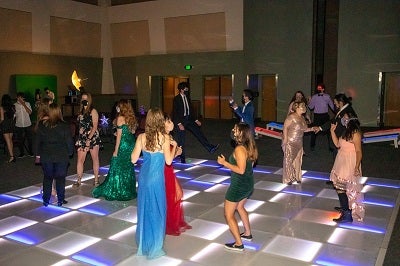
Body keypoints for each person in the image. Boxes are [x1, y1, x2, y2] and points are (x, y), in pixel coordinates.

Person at [131, 107, 177, 259]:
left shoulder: (141, 137)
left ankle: (145, 243)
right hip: (156, 179)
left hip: (144, 178)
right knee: (158, 210)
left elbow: (133, 159)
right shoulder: (164, 138)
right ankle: (156, 245)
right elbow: (169, 161)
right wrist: (174, 147)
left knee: (144, 209)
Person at [217, 123, 258, 251]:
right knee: (240, 207)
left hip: (239, 186)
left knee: (228, 215)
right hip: (248, 184)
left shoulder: (240, 149)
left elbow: (240, 170)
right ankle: (247, 233)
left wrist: (224, 163)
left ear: (241, 134)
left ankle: (238, 244)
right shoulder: (249, 147)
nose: (232, 130)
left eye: (235, 129)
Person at [92, 99, 138, 201]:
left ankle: (117, 189)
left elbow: (119, 137)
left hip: (123, 145)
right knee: (128, 166)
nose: (117, 108)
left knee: (116, 165)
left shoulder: (120, 118)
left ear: (121, 107)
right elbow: (133, 131)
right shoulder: (131, 117)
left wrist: (116, 151)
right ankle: (128, 188)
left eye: (118, 106)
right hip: (131, 144)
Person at [35, 103, 74, 207]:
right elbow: (69, 141)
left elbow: (38, 142)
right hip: (61, 156)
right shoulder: (64, 126)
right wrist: (70, 152)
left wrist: (37, 155)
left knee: (47, 178)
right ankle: (60, 199)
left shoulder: (42, 125)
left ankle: (46, 200)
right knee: (60, 178)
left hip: (46, 156)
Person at [329, 112, 364, 223]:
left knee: (341, 187)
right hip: (341, 160)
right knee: (340, 187)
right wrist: (332, 131)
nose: (343, 119)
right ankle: (345, 208)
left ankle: (347, 213)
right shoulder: (345, 131)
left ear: (351, 119)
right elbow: (338, 145)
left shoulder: (355, 133)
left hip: (349, 162)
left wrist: (357, 166)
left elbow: (359, 151)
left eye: (345, 117)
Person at [172, 82, 219, 163]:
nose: (187, 90)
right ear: (181, 90)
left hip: (189, 119)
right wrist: (179, 124)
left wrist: (196, 120)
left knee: (199, 133)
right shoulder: (176, 99)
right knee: (181, 140)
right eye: (186, 89)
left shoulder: (187, 97)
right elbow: (174, 113)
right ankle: (182, 157)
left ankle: (210, 148)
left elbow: (191, 110)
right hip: (181, 121)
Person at [164, 114, 192, 236]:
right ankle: (168, 223)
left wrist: (176, 152)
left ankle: (171, 222)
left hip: (169, 169)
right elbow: (165, 159)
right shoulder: (164, 137)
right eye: (168, 121)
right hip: (165, 170)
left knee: (175, 195)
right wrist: (176, 152)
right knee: (173, 195)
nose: (171, 123)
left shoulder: (168, 136)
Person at [282, 101, 315, 185]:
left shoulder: (302, 118)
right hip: (291, 141)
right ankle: (288, 178)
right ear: (296, 108)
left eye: (304, 106)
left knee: (298, 160)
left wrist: (312, 129)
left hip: (299, 142)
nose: (304, 108)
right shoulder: (291, 117)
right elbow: (285, 127)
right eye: (302, 106)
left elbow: (304, 129)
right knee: (289, 160)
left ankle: (297, 177)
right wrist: (285, 139)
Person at [73, 92, 102, 187]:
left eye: (86, 99)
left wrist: (89, 139)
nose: (84, 100)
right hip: (82, 137)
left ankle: (96, 180)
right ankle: (79, 180)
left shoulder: (93, 111)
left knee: (95, 158)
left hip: (92, 137)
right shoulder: (80, 111)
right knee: (80, 159)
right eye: (82, 99)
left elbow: (95, 126)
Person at [308, 84, 334, 151]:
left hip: (325, 115)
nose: (319, 89)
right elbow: (311, 107)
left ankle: (331, 146)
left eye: (320, 88)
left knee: (329, 131)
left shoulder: (327, 97)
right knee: (314, 130)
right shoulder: (314, 97)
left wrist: (338, 111)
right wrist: (309, 101)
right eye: (318, 88)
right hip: (317, 116)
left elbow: (332, 106)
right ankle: (312, 146)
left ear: (323, 89)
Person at [14, 92, 34, 158]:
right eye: (19, 97)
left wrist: (24, 104)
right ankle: (22, 153)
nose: (21, 99)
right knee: (20, 140)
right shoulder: (14, 105)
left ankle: (30, 152)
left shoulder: (27, 103)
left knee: (30, 139)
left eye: (22, 97)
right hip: (19, 125)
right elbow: (13, 116)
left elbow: (30, 112)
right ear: (17, 97)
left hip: (28, 124)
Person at [1, 94, 16, 163]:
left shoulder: (2, 107)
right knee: (10, 140)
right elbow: (14, 116)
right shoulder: (13, 107)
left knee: (8, 141)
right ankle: (12, 154)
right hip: (11, 124)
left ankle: (12, 157)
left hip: (5, 125)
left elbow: (2, 119)